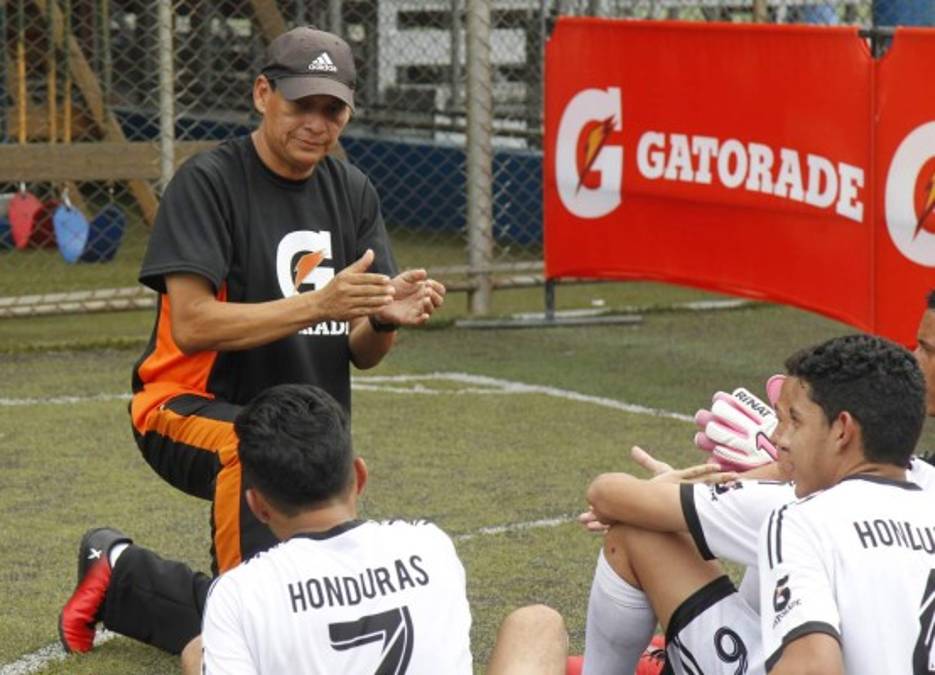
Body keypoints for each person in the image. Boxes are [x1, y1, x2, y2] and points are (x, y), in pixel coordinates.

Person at [59, 25, 445, 656]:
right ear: (263, 93)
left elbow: (360, 352)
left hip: (308, 430)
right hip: (182, 408)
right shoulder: (208, 183)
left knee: (317, 593)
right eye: (301, 104)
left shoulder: (353, 192)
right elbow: (193, 323)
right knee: (271, 598)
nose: (317, 124)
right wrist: (318, 302)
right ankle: (241, 642)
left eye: (333, 109)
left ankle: (122, 576)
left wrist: (385, 319)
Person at [580, 334, 935, 674]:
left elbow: (813, 668)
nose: (778, 438)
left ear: (842, 430)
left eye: (793, 421)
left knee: (635, 535)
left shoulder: (802, 517)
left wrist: (735, 479)